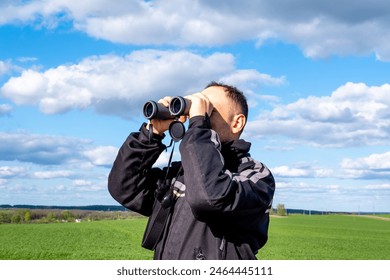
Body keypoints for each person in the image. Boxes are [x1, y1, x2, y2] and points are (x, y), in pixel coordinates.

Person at [108, 81, 275, 260]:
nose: (198, 114)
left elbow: (210, 197)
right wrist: (151, 134)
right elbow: (124, 187)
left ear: (237, 123)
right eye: (196, 108)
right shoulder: (183, 173)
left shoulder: (256, 175)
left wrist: (199, 127)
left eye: (208, 108)